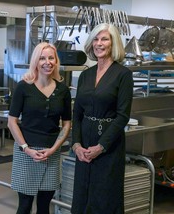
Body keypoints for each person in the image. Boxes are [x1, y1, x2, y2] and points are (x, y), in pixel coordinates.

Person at [71, 23, 133, 214]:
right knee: (82, 196)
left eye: (104, 39)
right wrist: (76, 145)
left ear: (113, 43)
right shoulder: (85, 74)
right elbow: (77, 113)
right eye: (96, 39)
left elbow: (122, 116)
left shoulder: (123, 75)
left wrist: (101, 146)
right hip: (84, 146)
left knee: (105, 199)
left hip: (108, 146)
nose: (99, 43)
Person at [7, 42, 72, 214]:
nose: (47, 62)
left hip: (51, 152)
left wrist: (54, 149)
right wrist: (26, 149)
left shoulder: (63, 91)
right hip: (26, 152)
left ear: (56, 61)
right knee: (25, 205)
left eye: (51, 58)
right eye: (42, 58)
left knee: (44, 206)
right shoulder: (23, 87)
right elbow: (12, 121)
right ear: (35, 61)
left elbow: (66, 123)